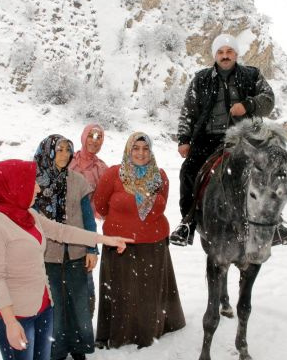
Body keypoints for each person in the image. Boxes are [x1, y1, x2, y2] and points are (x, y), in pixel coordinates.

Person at [0, 159, 132, 360]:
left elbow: (62, 232)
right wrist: (10, 322)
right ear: (13, 187)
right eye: (31, 183)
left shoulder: (30, 215)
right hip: (17, 316)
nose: (37, 188)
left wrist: (105, 240)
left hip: (44, 309)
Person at [169, 33, 287, 246]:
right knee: (188, 172)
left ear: (236, 54)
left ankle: (276, 225)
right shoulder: (201, 79)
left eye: (229, 51)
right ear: (215, 55)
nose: (225, 55)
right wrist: (184, 139)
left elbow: (268, 100)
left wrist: (247, 105)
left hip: (244, 140)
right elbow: (188, 112)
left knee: (266, 173)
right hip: (208, 139)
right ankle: (188, 223)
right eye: (220, 52)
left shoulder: (251, 75)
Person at [94, 132, 185, 349]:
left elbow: (161, 204)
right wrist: (123, 222)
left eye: (145, 149)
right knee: (121, 293)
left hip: (153, 245)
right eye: (136, 148)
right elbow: (100, 205)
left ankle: (150, 331)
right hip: (120, 246)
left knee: (149, 294)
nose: (141, 153)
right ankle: (121, 334)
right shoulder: (113, 174)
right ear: (128, 150)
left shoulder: (160, 176)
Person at [33, 134, 98, 360]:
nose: (64, 154)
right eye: (59, 149)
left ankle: (79, 348)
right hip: (47, 256)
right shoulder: (36, 183)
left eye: (67, 150)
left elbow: (88, 218)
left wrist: (92, 249)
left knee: (79, 303)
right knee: (55, 307)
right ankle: (57, 351)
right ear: (48, 151)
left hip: (77, 253)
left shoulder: (78, 180)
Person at [68, 124, 109, 317]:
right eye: (91, 135)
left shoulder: (102, 169)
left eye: (99, 137)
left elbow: (107, 200)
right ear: (83, 136)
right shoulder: (67, 160)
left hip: (85, 229)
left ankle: (84, 325)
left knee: (85, 279)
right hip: (58, 227)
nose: (94, 140)